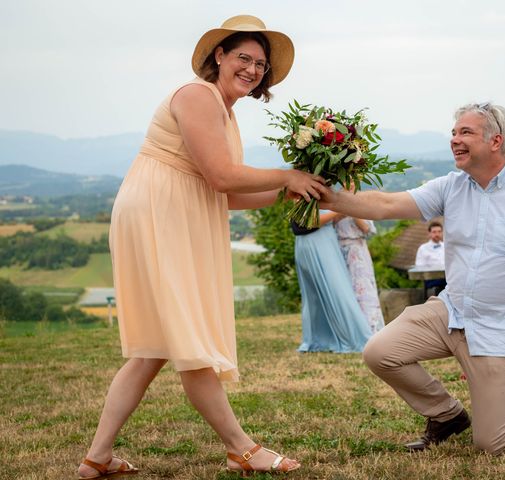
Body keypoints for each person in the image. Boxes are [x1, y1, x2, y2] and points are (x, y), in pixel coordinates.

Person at [77, 15, 328, 479]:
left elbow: (228, 194)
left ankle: (97, 458)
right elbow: (221, 176)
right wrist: (286, 174)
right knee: (187, 336)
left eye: (259, 64)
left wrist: (291, 190)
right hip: (159, 214)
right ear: (219, 56)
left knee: (156, 346)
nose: (252, 69)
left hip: (176, 213)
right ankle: (242, 448)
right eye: (243, 58)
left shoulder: (225, 112)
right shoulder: (197, 95)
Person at [321, 102, 505, 455]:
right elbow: (384, 205)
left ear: (495, 141)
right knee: (379, 352)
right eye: (454, 132)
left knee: (494, 444)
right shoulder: (451, 186)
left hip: (497, 329)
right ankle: (447, 415)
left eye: (465, 132)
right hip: (449, 312)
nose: (455, 140)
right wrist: (329, 197)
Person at [293, 212, 373, 353]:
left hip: (324, 239)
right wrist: (338, 211)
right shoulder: (303, 195)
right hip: (311, 241)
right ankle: (320, 338)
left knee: (338, 290)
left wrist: (340, 212)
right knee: (314, 296)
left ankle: (353, 335)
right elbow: (303, 223)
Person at [334, 214, 385, 333]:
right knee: (343, 290)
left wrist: (351, 212)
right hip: (337, 249)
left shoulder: (359, 206)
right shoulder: (334, 204)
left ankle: (370, 327)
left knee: (363, 288)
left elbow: (367, 229)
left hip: (357, 250)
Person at [414, 220, 447, 297]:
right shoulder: (423, 248)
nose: (437, 234)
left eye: (439, 231)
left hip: (447, 277)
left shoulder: (446, 246)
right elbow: (419, 267)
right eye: (434, 232)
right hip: (431, 279)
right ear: (429, 233)